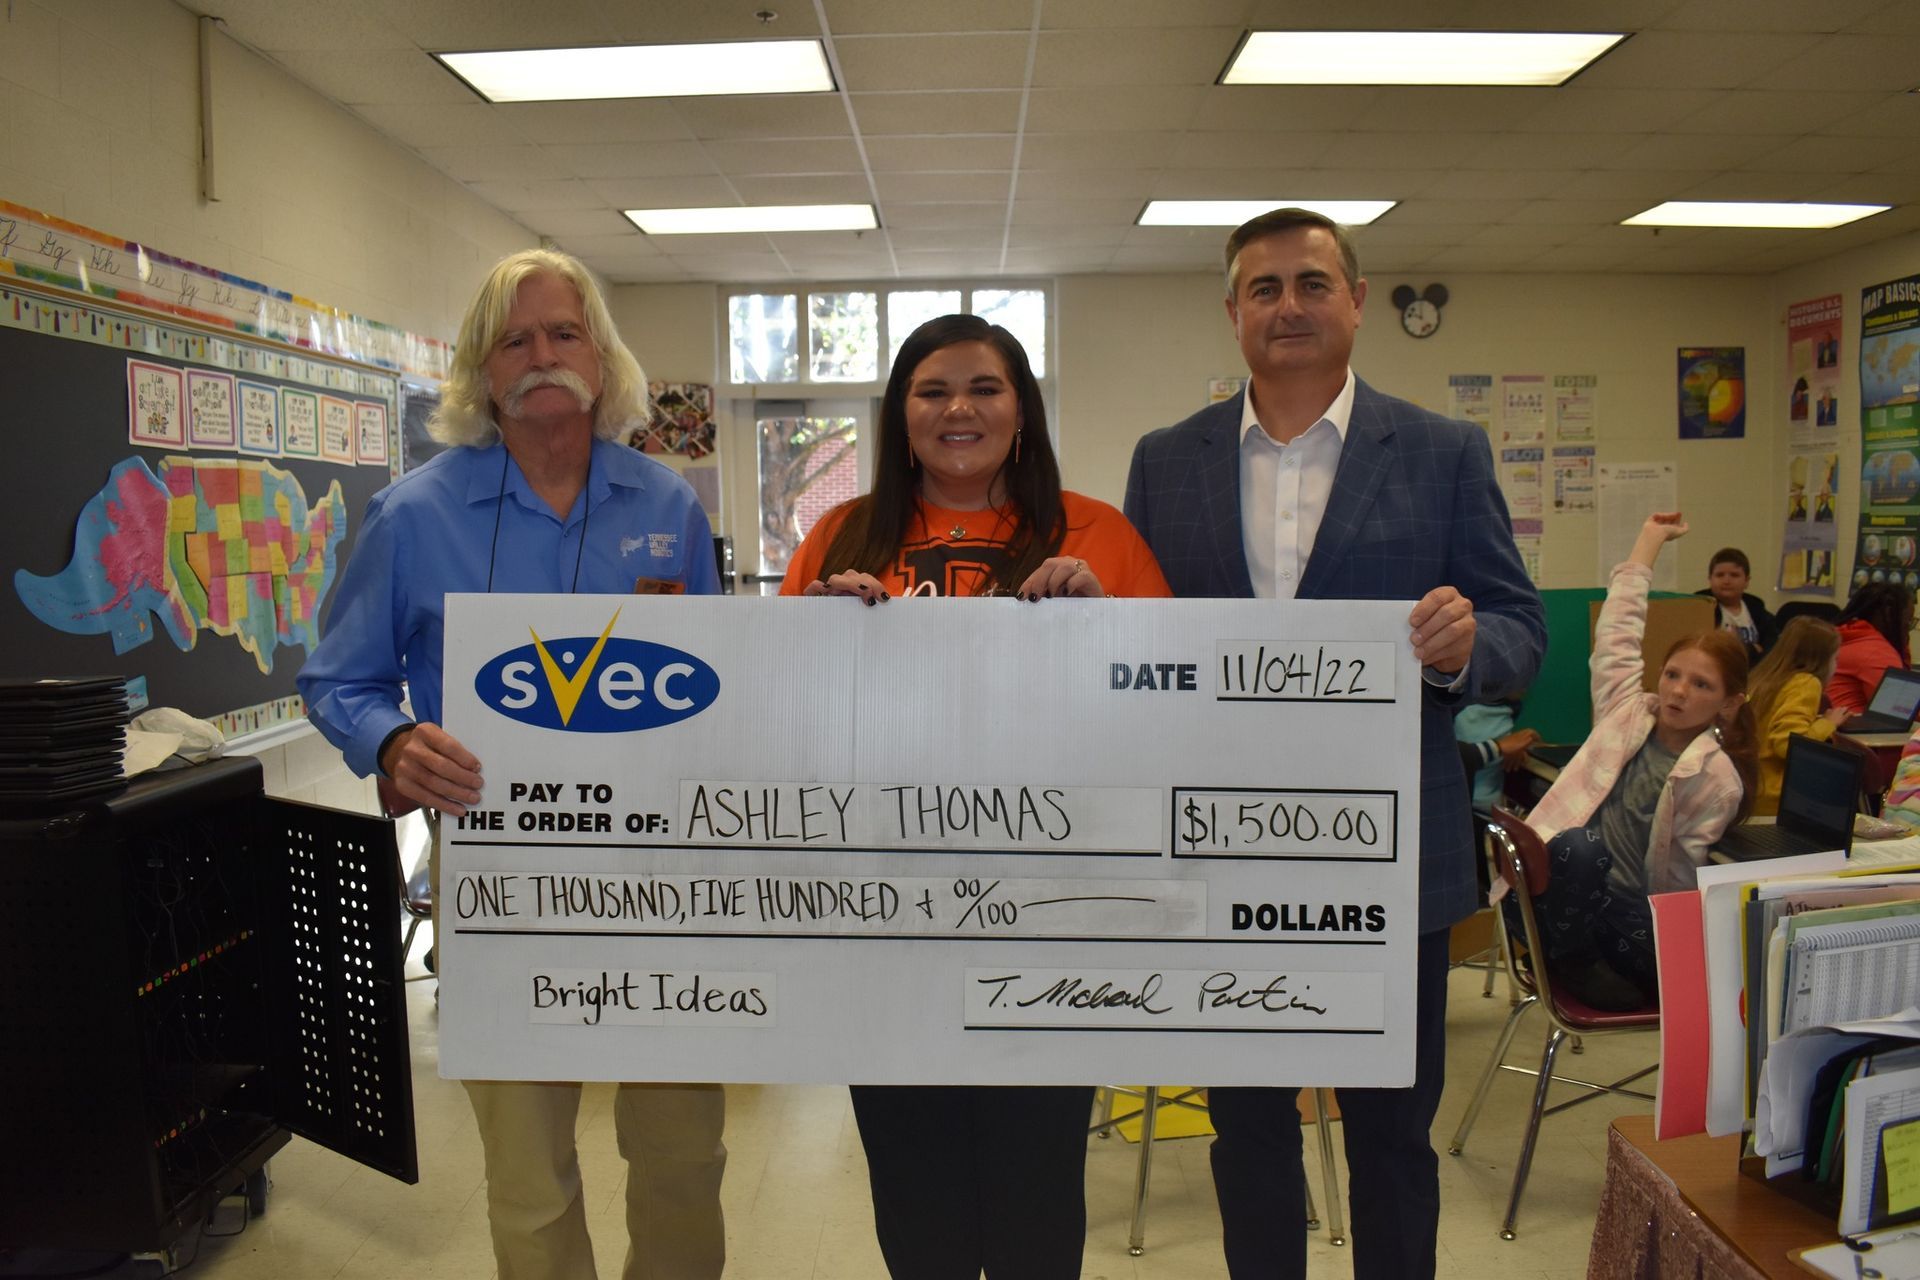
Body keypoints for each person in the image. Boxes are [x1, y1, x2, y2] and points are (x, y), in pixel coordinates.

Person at [1122, 207, 1546, 1280]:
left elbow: (1519, 628)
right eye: (1263, 288)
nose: (1289, 305)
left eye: (1312, 282)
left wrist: (1461, 649)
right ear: (1232, 314)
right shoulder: (1166, 462)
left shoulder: (1445, 451)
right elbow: (1131, 640)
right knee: (1249, 1133)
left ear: (1357, 300)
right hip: (1219, 860)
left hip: (1392, 864)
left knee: (1394, 1136)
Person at [297, 248, 727, 1280]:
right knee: (530, 1173)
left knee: (681, 1156)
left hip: (661, 874)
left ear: (602, 355)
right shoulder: (415, 514)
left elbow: (723, 683)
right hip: (496, 869)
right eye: (515, 339)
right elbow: (337, 680)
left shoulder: (666, 508)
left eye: (563, 332)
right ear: (482, 372)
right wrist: (394, 740)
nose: (542, 356)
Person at [782, 313, 1170, 1279]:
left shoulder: (1100, 535)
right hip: (885, 925)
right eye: (932, 390)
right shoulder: (839, 533)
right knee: (916, 1209)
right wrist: (817, 651)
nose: (960, 408)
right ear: (900, 415)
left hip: (1049, 922)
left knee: (1040, 1197)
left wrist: (1104, 627)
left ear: (1022, 410)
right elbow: (778, 730)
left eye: (985, 388)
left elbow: (1169, 713)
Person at [1513, 512, 1756, 1010]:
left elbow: (1682, 875)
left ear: (1729, 702)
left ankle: (1570, 956)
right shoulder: (1625, 713)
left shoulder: (1715, 779)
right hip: (1561, 900)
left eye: (1702, 685)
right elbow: (1617, 634)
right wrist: (1649, 540)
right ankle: (1569, 956)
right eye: (1672, 675)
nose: (1679, 691)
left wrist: (1687, 952)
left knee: (1592, 861)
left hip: (1628, 919)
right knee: (1580, 847)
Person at [1745, 616, 1850, 815]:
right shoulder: (1806, 683)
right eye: (1835, 659)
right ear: (1820, 660)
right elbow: (1789, 744)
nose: (1836, 667)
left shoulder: (1763, 677)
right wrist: (1828, 724)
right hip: (1776, 798)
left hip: (1750, 788)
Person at [1828, 582, 1914, 712]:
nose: (1907, 631)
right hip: (1855, 729)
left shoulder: (1845, 635)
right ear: (1889, 614)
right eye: (1907, 623)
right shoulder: (1875, 651)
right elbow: (1903, 710)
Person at [1694, 545, 1776, 662]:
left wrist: (1744, 648)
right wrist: (1752, 648)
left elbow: (1772, 648)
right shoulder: (1702, 608)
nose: (1726, 581)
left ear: (1746, 581)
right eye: (1720, 575)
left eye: (1734, 575)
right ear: (1710, 579)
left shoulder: (1757, 609)